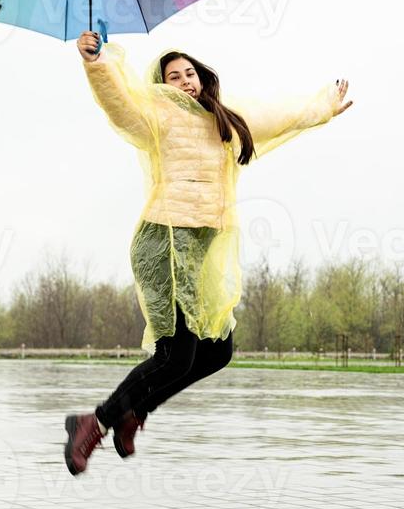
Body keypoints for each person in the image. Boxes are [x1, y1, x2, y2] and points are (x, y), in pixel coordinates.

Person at [64, 30, 352, 475]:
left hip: (198, 250)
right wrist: (96, 63)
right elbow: (119, 106)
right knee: (175, 355)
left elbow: (278, 116)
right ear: (162, 84)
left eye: (190, 72)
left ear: (202, 77)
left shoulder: (224, 121)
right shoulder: (156, 114)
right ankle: (95, 422)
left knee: (217, 351)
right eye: (174, 75)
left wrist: (324, 107)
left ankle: (133, 412)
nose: (185, 81)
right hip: (165, 242)